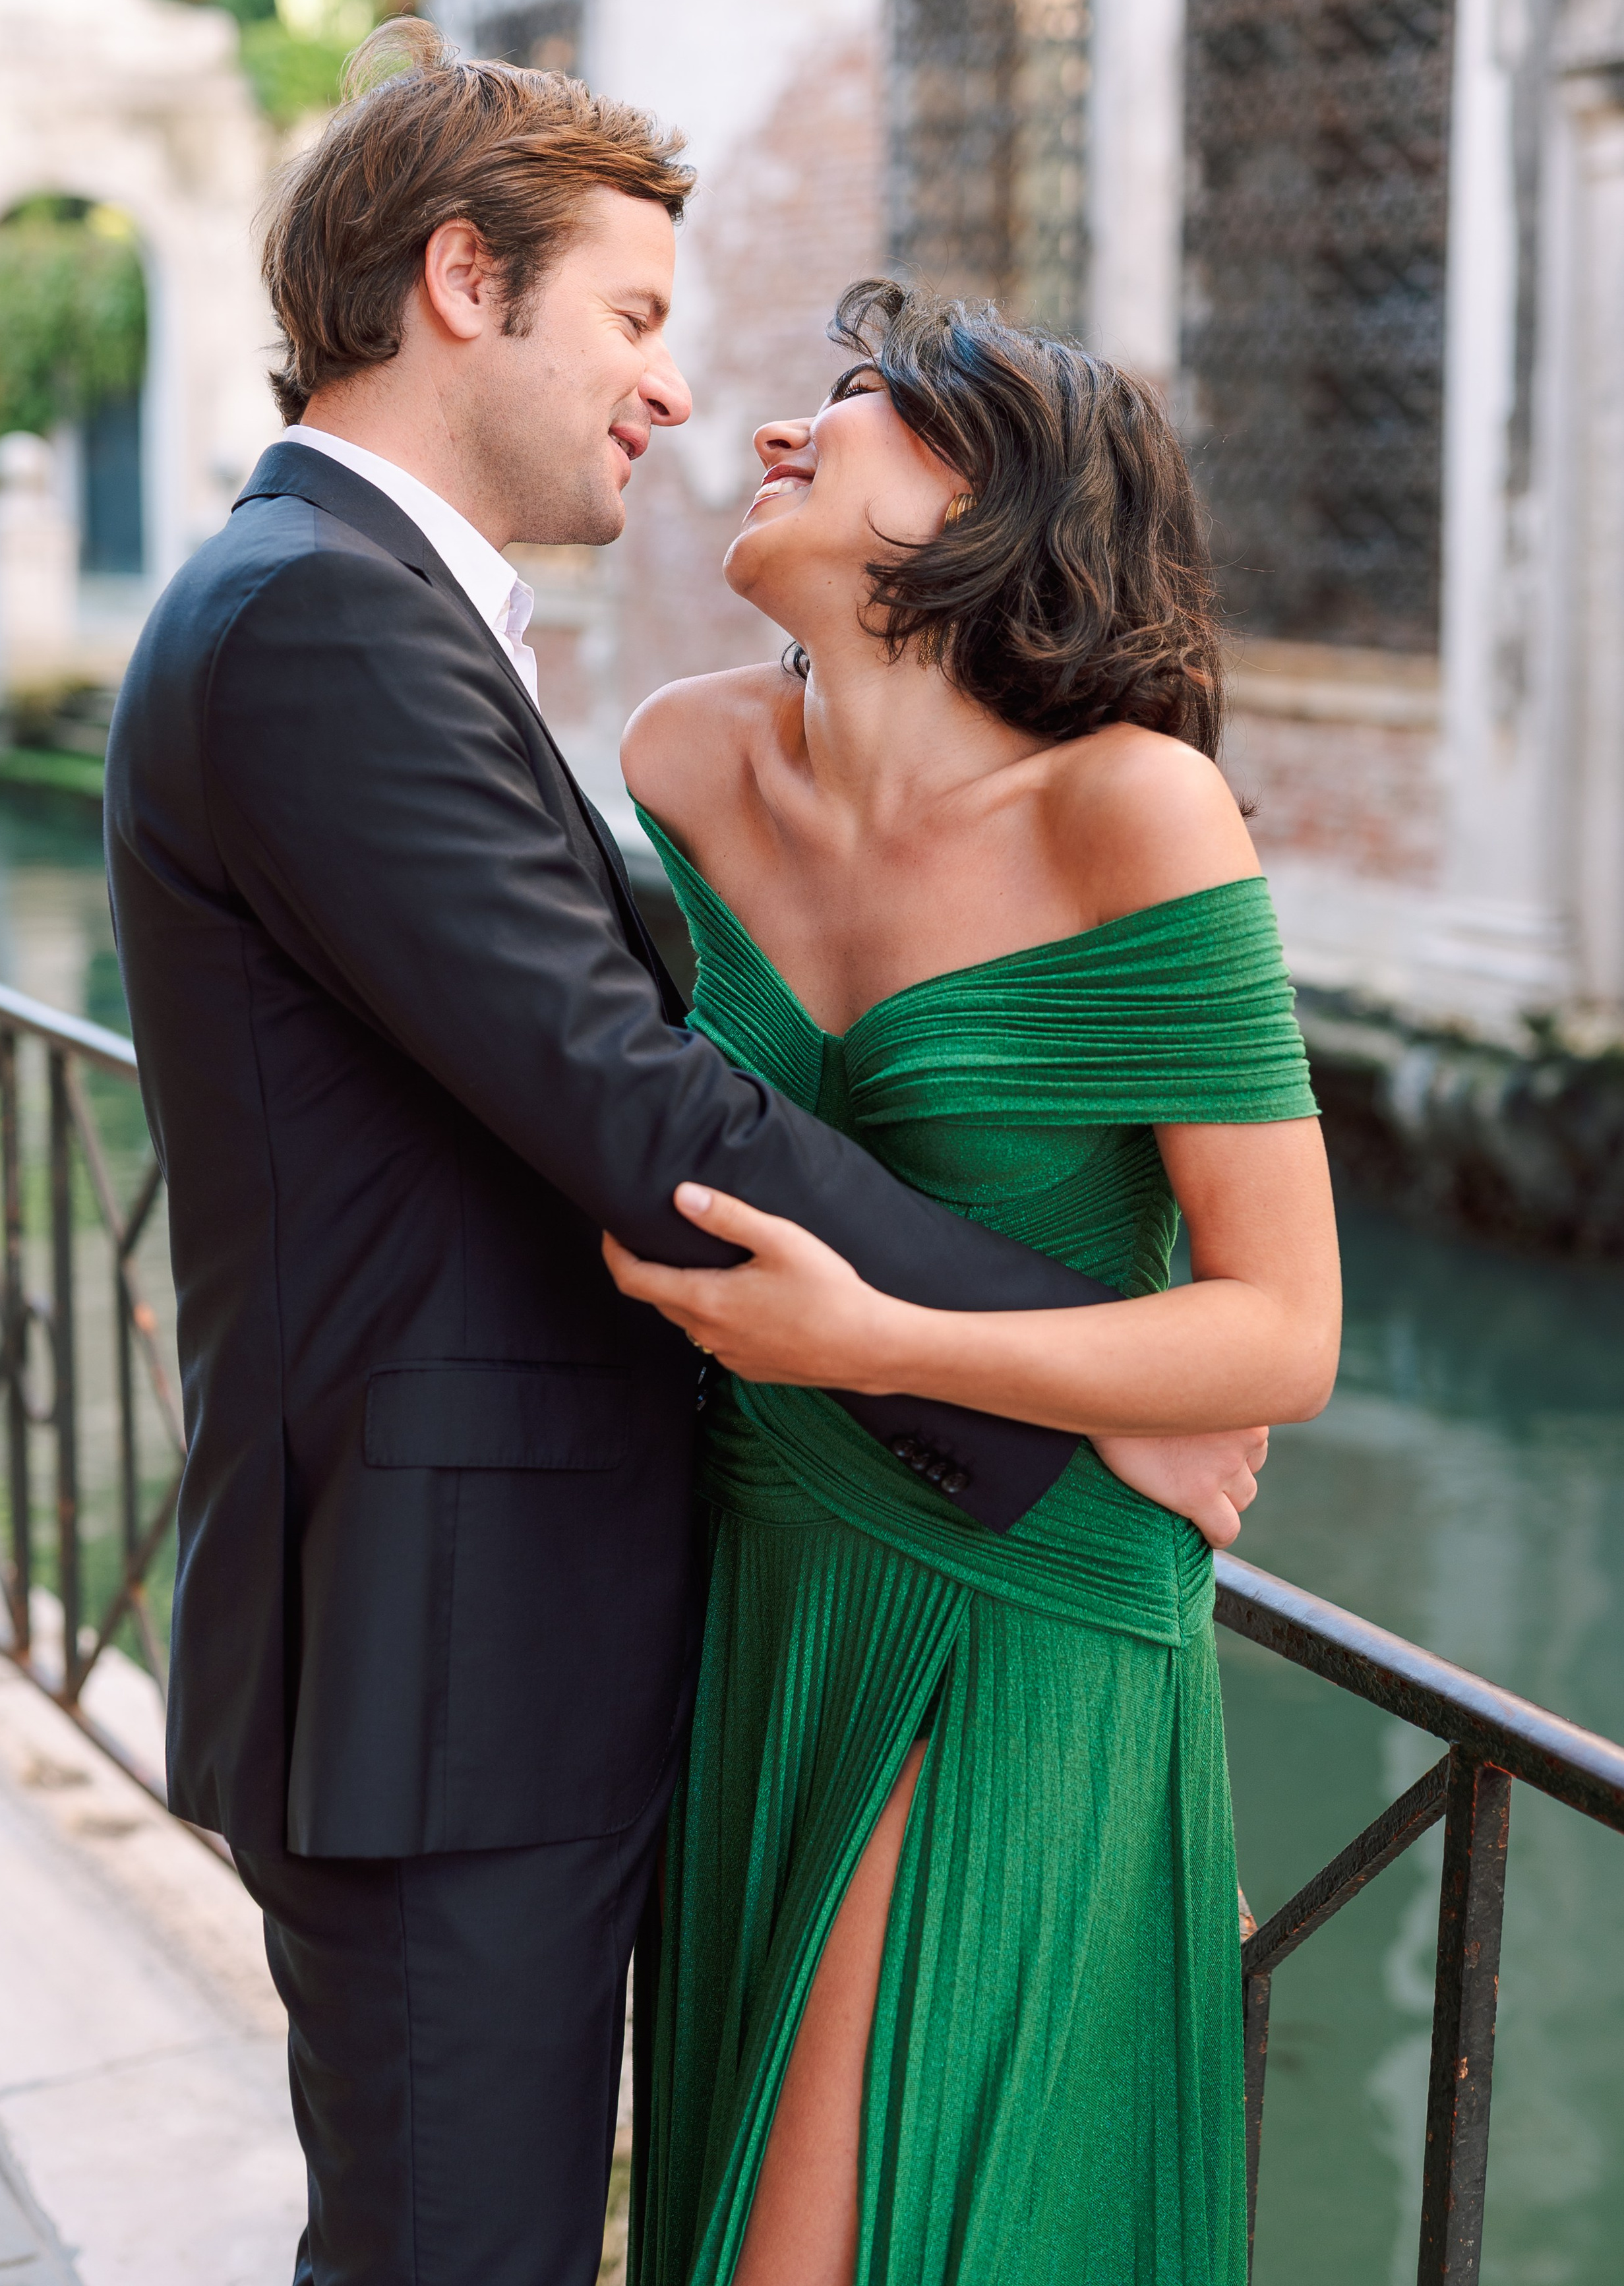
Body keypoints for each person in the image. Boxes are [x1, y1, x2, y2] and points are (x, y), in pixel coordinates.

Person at [102, 27, 1163, 2285]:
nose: (671, 394)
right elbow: (628, 1103)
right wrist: (1094, 1369)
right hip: (440, 1681)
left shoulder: (351, 609)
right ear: (466, 284)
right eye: (636, 319)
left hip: (503, 1653)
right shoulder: (313, 619)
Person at [607, 280, 1342, 2286]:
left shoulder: (1133, 811)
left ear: (987, 510)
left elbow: (1284, 1329)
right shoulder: (679, 760)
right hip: (756, 1572)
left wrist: (883, 1342)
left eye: (851, 403)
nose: (771, 431)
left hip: (1025, 1614)